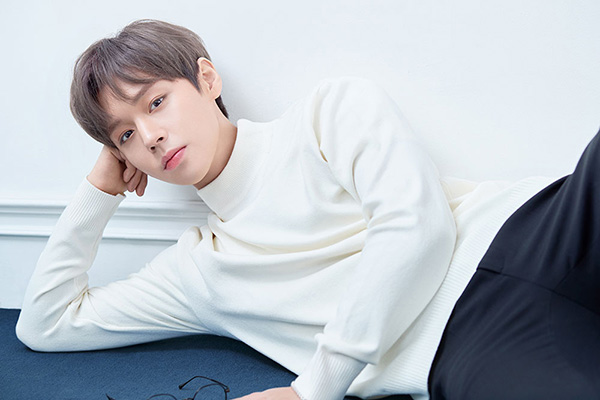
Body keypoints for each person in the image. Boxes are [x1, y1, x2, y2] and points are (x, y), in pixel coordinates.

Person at [15, 19, 599, 400]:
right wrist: (99, 190)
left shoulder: (327, 113)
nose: (150, 136)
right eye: (124, 136)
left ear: (206, 78)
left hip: (538, 228)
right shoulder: (194, 275)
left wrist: (313, 388)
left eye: (156, 103)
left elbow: (417, 229)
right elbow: (46, 323)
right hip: (468, 345)